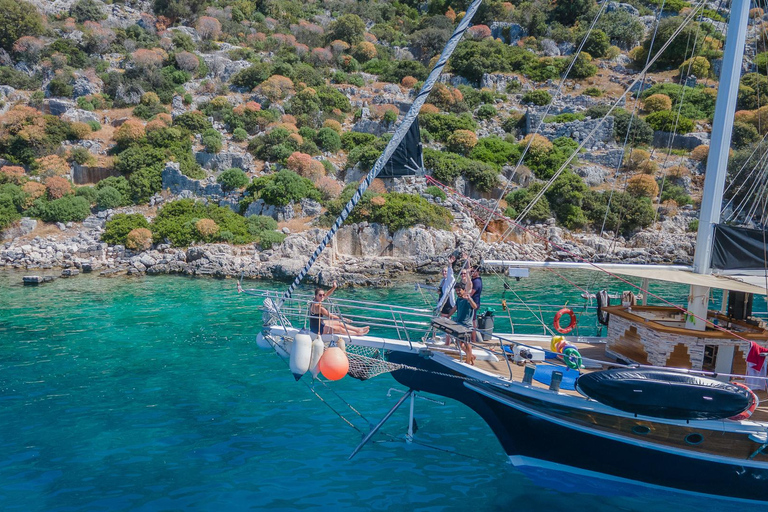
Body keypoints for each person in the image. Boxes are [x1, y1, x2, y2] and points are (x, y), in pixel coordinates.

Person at [449, 284, 477, 365]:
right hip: (459, 325)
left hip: (467, 326)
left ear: (464, 290)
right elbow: (454, 308)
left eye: (459, 290)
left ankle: (468, 362)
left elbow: (474, 307)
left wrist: (470, 299)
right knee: (459, 343)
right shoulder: (458, 299)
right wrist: (448, 316)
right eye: (456, 290)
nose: (457, 292)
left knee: (467, 344)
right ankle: (471, 356)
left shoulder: (467, 299)